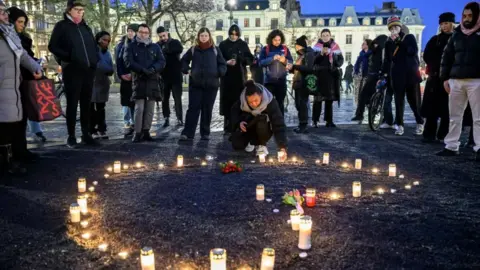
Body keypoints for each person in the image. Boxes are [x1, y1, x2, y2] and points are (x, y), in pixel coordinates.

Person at [48, 0, 99, 148]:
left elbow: (93, 46)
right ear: (69, 10)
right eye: (77, 10)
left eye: (82, 10)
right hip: (72, 71)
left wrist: (95, 60)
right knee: (72, 104)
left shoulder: (85, 27)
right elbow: (53, 46)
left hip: (88, 71)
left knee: (86, 104)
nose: (80, 13)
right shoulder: (62, 26)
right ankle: (71, 136)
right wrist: (69, 57)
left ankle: (86, 134)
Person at [0, 0, 42, 175]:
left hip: (12, 87)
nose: (5, 15)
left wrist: (36, 67)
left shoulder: (9, 34)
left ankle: (10, 160)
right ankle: (5, 164)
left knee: (11, 125)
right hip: (3, 86)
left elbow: (22, 55)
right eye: (1, 12)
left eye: (5, 12)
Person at [437, 2, 480, 161]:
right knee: (454, 116)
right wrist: (445, 78)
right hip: (456, 80)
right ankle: (451, 146)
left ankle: (479, 147)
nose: (467, 19)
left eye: (470, 16)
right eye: (464, 16)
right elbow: (446, 56)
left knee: (478, 117)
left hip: (476, 80)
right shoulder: (457, 33)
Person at [8, 6, 48, 144]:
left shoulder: (24, 38)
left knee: (26, 108)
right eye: (19, 22)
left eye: (24, 22)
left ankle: (27, 138)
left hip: (26, 78)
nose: (22, 25)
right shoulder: (8, 39)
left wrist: (36, 67)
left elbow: (27, 57)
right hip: (14, 79)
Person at [179, 27, 227, 141]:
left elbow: (223, 64)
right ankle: (188, 133)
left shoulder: (215, 50)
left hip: (211, 85)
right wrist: (188, 70)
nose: (204, 38)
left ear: (209, 36)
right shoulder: (194, 49)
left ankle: (205, 132)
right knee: (193, 109)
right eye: (202, 36)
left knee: (207, 109)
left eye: (206, 35)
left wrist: (219, 72)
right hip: (196, 84)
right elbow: (183, 61)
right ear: (198, 37)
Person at [380, 16, 424, 136]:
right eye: (391, 28)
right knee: (398, 101)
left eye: (396, 26)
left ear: (400, 27)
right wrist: (383, 74)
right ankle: (399, 125)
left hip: (410, 74)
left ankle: (420, 122)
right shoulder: (389, 42)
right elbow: (388, 60)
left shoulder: (408, 37)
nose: (394, 29)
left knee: (413, 101)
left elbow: (412, 51)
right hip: (397, 75)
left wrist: (400, 43)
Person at [124, 24, 166, 142]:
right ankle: (137, 132)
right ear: (138, 33)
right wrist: (141, 70)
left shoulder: (155, 47)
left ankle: (146, 131)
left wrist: (153, 69)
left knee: (150, 108)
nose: (143, 34)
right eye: (141, 32)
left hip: (152, 79)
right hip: (139, 79)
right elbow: (128, 61)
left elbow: (162, 61)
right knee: (139, 108)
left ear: (149, 34)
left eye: (146, 32)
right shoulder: (131, 46)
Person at [420, 12, 455, 143]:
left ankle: (443, 135)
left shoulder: (456, 39)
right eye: (442, 24)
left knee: (447, 109)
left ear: (452, 23)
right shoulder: (435, 40)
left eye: (446, 23)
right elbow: (427, 55)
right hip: (435, 78)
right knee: (431, 108)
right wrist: (435, 65)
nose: (444, 26)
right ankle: (429, 133)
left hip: (450, 78)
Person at [230, 80, 287, 158]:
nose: (254, 104)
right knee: (237, 145)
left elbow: (278, 124)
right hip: (249, 126)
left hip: (264, 128)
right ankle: (251, 142)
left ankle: (261, 144)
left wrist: (282, 147)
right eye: (250, 102)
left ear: (261, 96)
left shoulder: (270, 102)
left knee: (262, 118)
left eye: (256, 100)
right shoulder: (242, 100)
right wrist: (239, 122)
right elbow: (234, 112)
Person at [219, 24, 253, 135]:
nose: (234, 36)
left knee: (239, 101)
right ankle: (228, 125)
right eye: (232, 34)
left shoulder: (243, 44)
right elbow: (219, 59)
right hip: (227, 77)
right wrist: (226, 62)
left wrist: (241, 58)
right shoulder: (223, 44)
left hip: (239, 77)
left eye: (236, 34)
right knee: (227, 101)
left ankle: (238, 124)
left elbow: (250, 59)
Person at [311, 29, 344, 128]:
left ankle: (329, 121)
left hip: (331, 75)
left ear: (330, 36)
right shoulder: (316, 47)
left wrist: (335, 62)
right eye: (323, 35)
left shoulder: (335, 46)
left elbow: (341, 60)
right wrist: (321, 54)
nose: (325, 37)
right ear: (321, 36)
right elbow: (313, 61)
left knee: (329, 100)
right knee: (318, 100)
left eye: (327, 35)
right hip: (319, 75)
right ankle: (315, 120)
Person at [352, 35, 388, 123]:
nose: (375, 46)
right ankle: (360, 114)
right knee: (364, 96)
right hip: (370, 76)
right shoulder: (372, 53)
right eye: (374, 44)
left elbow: (382, 64)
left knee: (374, 98)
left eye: (376, 44)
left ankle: (374, 115)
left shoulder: (380, 52)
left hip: (377, 76)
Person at [259, 29, 293, 115]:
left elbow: (290, 62)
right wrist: (272, 58)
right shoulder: (265, 49)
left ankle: (280, 123)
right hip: (269, 81)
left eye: (279, 40)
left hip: (281, 81)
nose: (277, 42)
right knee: (268, 103)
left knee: (280, 103)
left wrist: (284, 60)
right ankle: (268, 123)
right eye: (275, 40)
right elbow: (261, 63)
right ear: (271, 39)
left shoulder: (285, 49)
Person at [157, 26, 184, 127]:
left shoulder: (175, 42)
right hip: (164, 76)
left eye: (164, 35)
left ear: (167, 33)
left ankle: (179, 118)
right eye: (160, 37)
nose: (163, 38)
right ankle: (166, 117)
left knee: (177, 99)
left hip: (176, 75)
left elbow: (179, 49)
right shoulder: (158, 45)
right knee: (165, 99)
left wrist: (166, 50)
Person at [90, 31, 113, 139]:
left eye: (108, 40)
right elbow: (99, 65)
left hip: (103, 82)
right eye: (104, 39)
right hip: (93, 81)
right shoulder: (93, 50)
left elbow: (111, 67)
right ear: (98, 39)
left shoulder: (107, 53)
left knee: (101, 108)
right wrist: (108, 69)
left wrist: (109, 69)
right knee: (91, 107)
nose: (106, 42)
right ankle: (92, 129)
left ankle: (102, 128)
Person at [291, 35, 317, 133]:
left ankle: (304, 125)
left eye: (297, 46)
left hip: (303, 83)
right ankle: (301, 124)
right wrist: (292, 68)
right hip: (298, 82)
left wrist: (295, 66)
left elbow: (308, 68)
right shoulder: (301, 55)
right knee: (298, 104)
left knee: (302, 104)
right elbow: (298, 69)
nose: (296, 48)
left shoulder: (309, 54)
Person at [115, 23, 138, 136]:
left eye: (132, 31)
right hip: (125, 78)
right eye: (129, 31)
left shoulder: (138, 45)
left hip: (135, 77)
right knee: (125, 102)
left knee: (134, 101)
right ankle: (127, 123)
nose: (130, 33)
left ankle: (134, 123)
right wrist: (121, 74)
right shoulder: (121, 46)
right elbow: (118, 62)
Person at [352, 39, 372, 107]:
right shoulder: (361, 54)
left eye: (364, 43)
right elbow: (356, 64)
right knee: (357, 93)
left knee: (364, 93)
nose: (362, 45)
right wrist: (355, 72)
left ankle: (364, 106)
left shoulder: (371, 54)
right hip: (358, 77)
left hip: (366, 76)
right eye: (362, 43)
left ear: (368, 45)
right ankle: (358, 108)